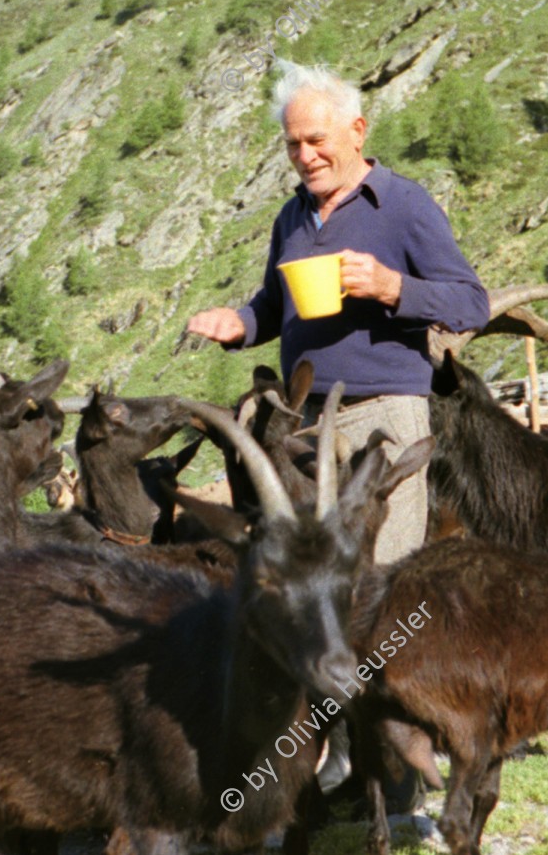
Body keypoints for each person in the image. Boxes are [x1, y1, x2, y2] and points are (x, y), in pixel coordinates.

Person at [186, 61, 489, 564]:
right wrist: (240, 324)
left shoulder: (403, 204)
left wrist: (392, 287)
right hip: (305, 424)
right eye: (292, 144)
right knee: (317, 578)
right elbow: (274, 303)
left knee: (383, 576)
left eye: (316, 140)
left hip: (385, 421)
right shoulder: (292, 216)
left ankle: (391, 649)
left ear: (357, 131)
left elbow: (471, 303)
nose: (305, 156)